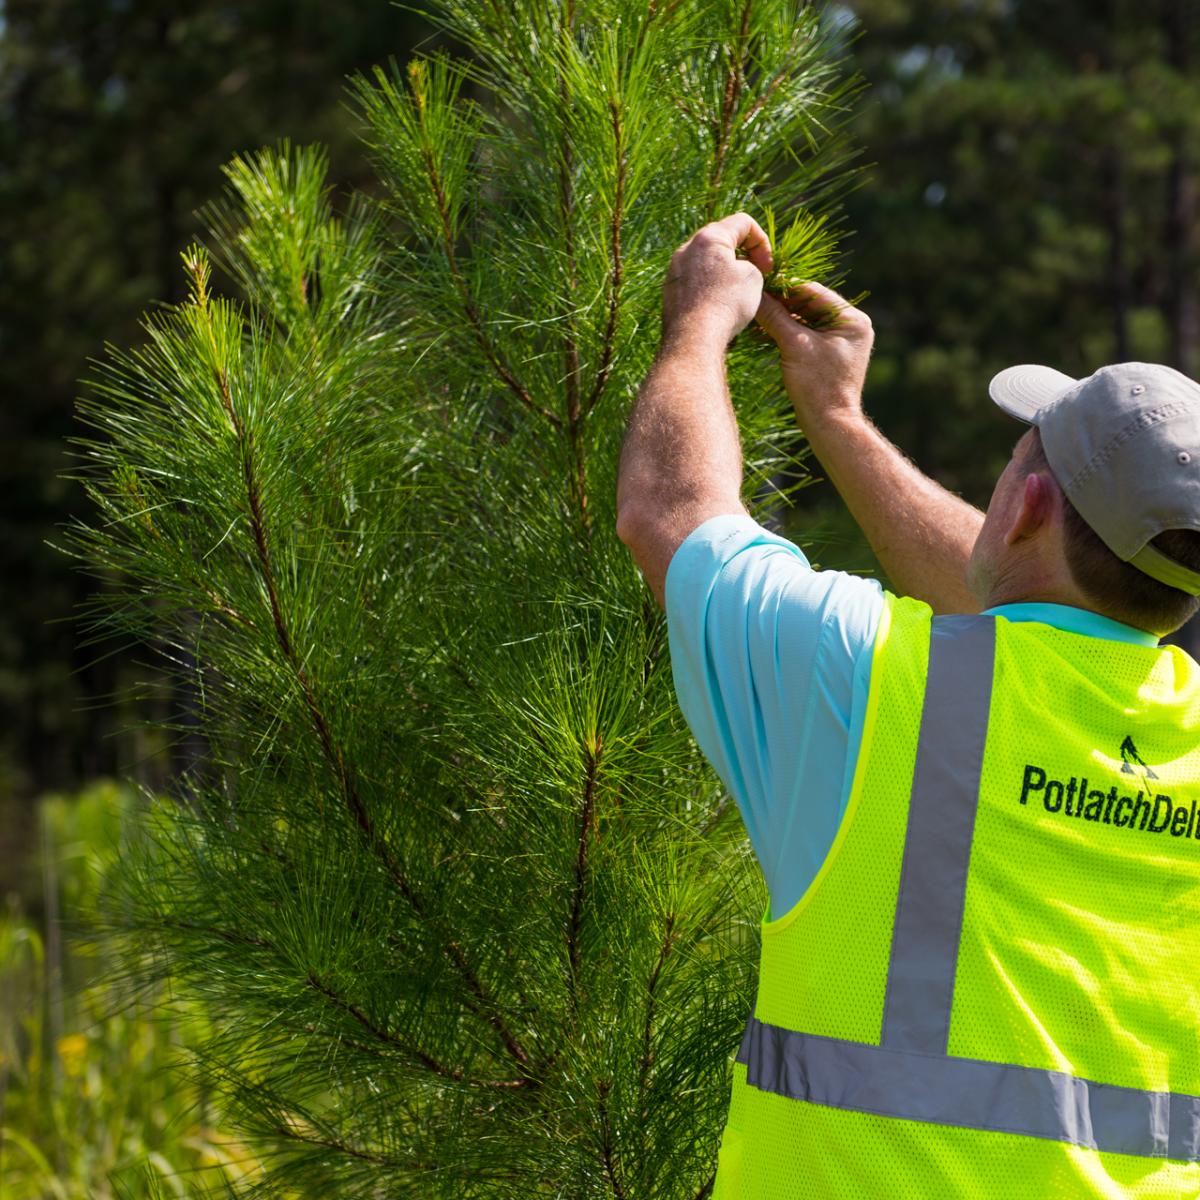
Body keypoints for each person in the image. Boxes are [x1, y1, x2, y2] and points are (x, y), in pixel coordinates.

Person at [616, 212, 1200, 1197]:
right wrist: (835, 415)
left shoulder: (877, 681)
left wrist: (698, 324)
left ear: (1023, 506)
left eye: (1020, 458)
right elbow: (1022, 605)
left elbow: (670, 515)